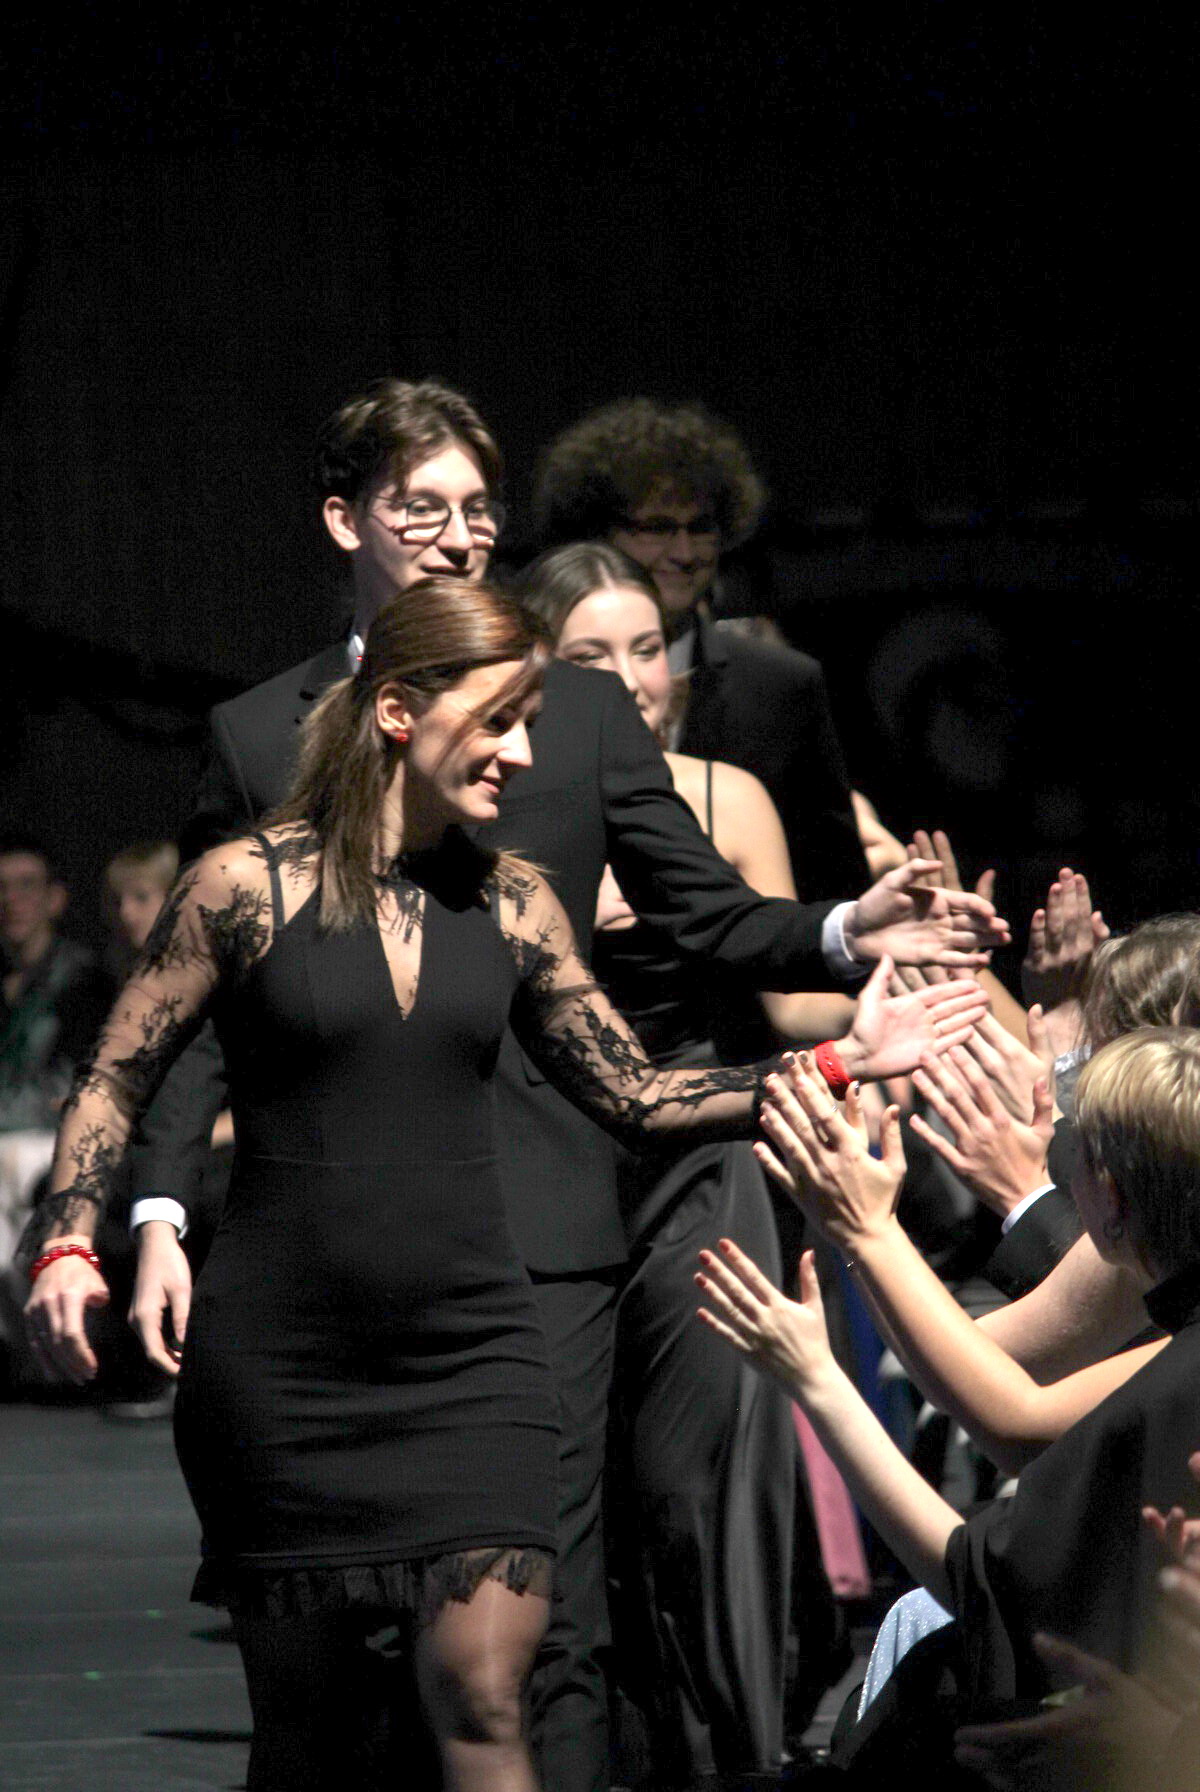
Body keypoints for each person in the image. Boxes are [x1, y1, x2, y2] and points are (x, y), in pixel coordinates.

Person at [120, 379, 1008, 1792]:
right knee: (334, 1666)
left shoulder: (576, 715)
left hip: (533, 1221)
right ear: (347, 522)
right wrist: (156, 1214)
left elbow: (710, 914)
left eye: (481, 508)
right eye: (423, 506)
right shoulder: (260, 733)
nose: (459, 534)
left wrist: (851, 931)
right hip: (327, 1252)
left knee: (539, 1633)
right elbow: (188, 1016)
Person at [27, 576, 865, 1792]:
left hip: (475, 1355)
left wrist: (838, 1061)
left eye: (533, 721)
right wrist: (70, 1241)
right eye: (500, 719)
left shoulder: (514, 900)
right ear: (399, 713)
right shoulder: (241, 886)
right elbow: (115, 1076)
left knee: (484, 1691)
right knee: (312, 1733)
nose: (523, 753)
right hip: (286, 1359)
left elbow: (636, 1096)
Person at [520, 543, 989, 1785]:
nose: (631, 677)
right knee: (570, 1490)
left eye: (647, 648)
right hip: (548, 1159)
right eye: (591, 654)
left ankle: (725, 1755)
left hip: (699, 1157)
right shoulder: (502, 800)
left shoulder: (726, 797)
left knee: (695, 1491)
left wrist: (893, 986)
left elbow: (785, 994)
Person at [698, 1030, 1200, 1776]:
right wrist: (858, 1233)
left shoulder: (1176, 1377)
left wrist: (818, 1369)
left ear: (1115, 1199)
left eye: (1079, 1157)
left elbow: (983, 1566)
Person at [531, 396, 870, 903]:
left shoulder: (782, 685)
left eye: (701, 528)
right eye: (657, 528)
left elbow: (834, 882)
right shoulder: (533, 675)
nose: (685, 553)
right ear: (596, 530)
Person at [0, 836, 111, 1297]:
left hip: (52, 1143)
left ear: (55, 898)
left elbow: (80, 1085)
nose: (11, 899)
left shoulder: (87, 979)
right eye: (2, 887)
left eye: (26, 885)